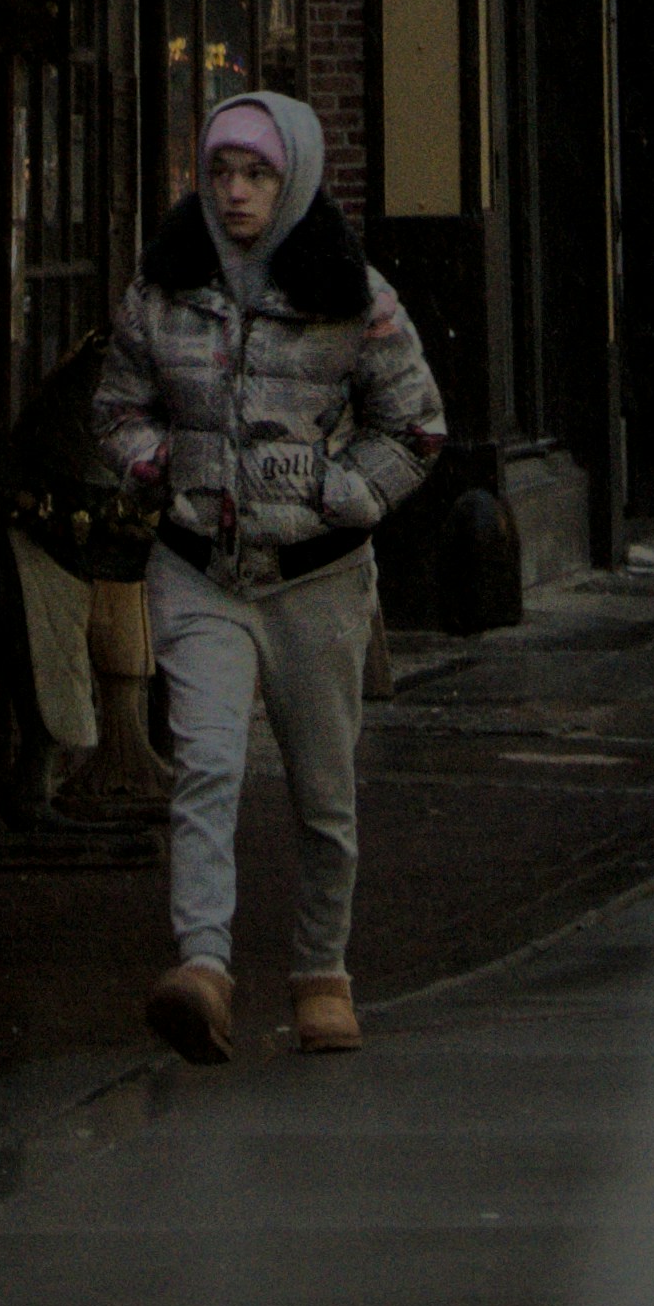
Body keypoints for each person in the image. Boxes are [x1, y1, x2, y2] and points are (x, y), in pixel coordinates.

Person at [93, 91, 444, 1064]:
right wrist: (153, 460)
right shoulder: (164, 290)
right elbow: (117, 405)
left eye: (257, 173)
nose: (237, 192)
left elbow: (415, 428)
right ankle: (202, 967)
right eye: (220, 172)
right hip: (199, 566)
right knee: (205, 763)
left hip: (317, 578)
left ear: (292, 180)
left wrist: (344, 494)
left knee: (324, 793)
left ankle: (321, 972)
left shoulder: (353, 296)